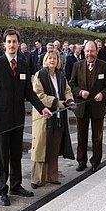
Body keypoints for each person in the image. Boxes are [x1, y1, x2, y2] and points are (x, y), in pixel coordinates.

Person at [0, 28, 52, 207]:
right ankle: (2, 189)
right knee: (2, 156)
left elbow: (29, 93)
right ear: (4, 44)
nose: (12, 45)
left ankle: (15, 185)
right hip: (1, 119)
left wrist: (42, 108)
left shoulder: (23, 65)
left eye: (14, 41)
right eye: (9, 42)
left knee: (16, 154)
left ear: (18, 43)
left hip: (18, 119)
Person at [30, 50, 75, 189]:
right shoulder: (40, 75)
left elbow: (67, 90)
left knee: (55, 145)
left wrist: (70, 100)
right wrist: (55, 102)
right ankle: (37, 179)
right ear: (45, 60)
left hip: (59, 117)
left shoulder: (60, 76)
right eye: (49, 58)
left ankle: (52, 176)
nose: (52, 60)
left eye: (54, 58)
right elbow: (38, 94)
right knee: (41, 147)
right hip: (44, 116)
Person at [69, 40, 106, 173]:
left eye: (92, 51)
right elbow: (72, 84)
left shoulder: (104, 66)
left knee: (97, 136)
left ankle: (95, 161)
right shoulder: (77, 66)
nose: (89, 53)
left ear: (97, 51)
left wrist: (102, 94)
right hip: (81, 108)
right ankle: (81, 161)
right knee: (81, 136)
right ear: (84, 51)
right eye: (87, 51)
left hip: (97, 107)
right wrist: (80, 92)